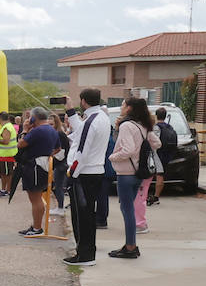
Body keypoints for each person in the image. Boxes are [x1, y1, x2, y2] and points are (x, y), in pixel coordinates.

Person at [106, 98, 160, 259]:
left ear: (129, 108)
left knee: (127, 210)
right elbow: (157, 143)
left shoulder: (127, 125)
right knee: (129, 208)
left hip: (126, 173)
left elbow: (128, 149)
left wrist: (112, 157)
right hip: (139, 173)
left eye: (123, 105)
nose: (122, 108)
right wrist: (141, 152)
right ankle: (130, 245)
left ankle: (130, 246)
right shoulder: (144, 125)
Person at [65, 89, 111, 266]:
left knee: (81, 216)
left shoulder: (92, 120)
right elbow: (81, 130)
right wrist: (70, 111)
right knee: (88, 215)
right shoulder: (101, 117)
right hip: (95, 171)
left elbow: (82, 150)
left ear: (83, 101)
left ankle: (84, 254)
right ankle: (86, 252)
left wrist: (72, 173)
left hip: (84, 173)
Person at [16, 107, 58, 237]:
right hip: (43, 165)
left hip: (35, 166)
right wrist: (46, 154)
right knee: (36, 197)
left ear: (34, 118)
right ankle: (36, 225)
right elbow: (58, 148)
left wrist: (25, 130)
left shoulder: (37, 130)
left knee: (35, 198)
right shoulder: (52, 130)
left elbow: (20, 144)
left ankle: (37, 228)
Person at [151, 107, 177, 206]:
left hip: (158, 154)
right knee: (161, 175)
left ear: (156, 116)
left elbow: (154, 142)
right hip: (167, 154)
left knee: (158, 175)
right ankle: (157, 196)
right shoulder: (170, 127)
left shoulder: (156, 128)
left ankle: (155, 196)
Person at [0, 112, 17, 196]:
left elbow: (6, 141)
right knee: (3, 173)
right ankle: (4, 189)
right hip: (3, 155)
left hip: (7, 155)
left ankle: (8, 190)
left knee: (8, 174)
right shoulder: (7, 126)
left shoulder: (7, 127)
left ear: (0, 118)